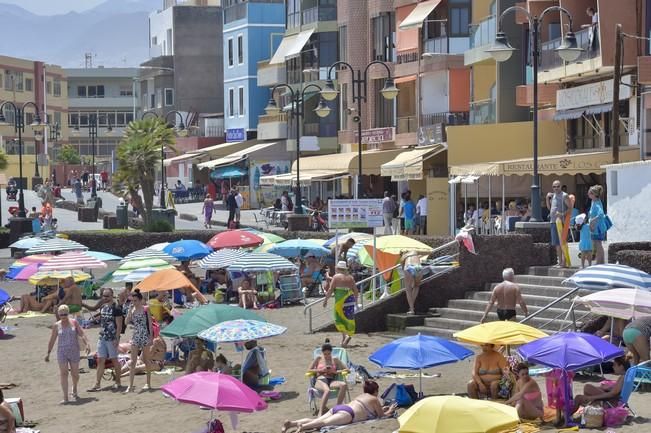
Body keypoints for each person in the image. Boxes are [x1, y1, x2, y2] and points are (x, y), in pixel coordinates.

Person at [282, 380, 397, 433]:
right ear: (376, 391)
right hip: (348, 414)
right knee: (323, 424)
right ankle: (302, 427)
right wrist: (390, 410)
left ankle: (291, 423)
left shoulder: (362, 395)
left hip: (340, 408)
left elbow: (371, 410)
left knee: (318, 420)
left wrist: (382, 409)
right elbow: (381, 416)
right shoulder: (374, 399)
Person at [45, 304, 91, 404]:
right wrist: (48, 353)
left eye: (65, 314)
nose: (64, 316)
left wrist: (87, 344)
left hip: (74, 351)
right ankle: (65, 397)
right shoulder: (57, 325)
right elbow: (52, 340)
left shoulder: (74, 322)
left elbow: (81, 333)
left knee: (75, 374)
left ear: (68, 313)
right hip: (62, 351)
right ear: (58, 315)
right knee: (64, 373)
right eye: (61, 315)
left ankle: (74, 389)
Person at [89, 288, 124, 391]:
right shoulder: (103, 307)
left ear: (112, 295)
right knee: (100, 360)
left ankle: (118, 382)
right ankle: (97, 384)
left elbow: (119, 325)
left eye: (107, 296)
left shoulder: (116, 308)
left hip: (112, 338)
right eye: (104, 296)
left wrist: (117, 339)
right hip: (102, 337)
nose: (105, 298)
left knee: (114, 360)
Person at [124, 289, 153, 393]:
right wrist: (129, 312)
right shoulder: (132, 310)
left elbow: (150, 324)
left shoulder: (146, 309)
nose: (134, 303)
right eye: (132, 301)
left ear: (140, 300)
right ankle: (130, 386)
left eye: (135, 300)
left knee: (146, 360)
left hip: (144, 335)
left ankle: (148, 383)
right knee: (133, 361)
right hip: (136, 335)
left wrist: (151, 338)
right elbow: (126, 322)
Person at [323, 261, 358, 348]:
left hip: (340, 301)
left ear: (338, 268)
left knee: (338, 319)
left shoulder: (336, 277)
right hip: (350, 299)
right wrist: (356, 301)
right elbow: (356, 291)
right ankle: (345, 340)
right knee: (348, 319)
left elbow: (330, 290)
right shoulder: (350, 278)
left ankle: (345, 335)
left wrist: (326, 300)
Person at [308, 342, 349, 416]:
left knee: (343, 385)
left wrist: (335, 371)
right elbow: (309, 370)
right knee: (327, 390)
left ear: (331, 352)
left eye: (329, 354)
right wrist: (321, 370)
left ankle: (337, 408)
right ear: (322, 353)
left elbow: (347, 370)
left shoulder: (335, 359)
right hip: (321, 379)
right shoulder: (318, 358)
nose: (327, 356)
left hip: (331, 380)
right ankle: (320, 412)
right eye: (325, 354)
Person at [546, 180, 572, 267]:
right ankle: (560, 261)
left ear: (561, 186)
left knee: (563, 243)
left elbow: (570, 208)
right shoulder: (553, 196)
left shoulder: (564, 195)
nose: (556, 188)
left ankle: (564, 262)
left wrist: (562, 214)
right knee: (557, 243)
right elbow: (550, 208)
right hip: (553, 221)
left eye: (557, 186)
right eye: (554, 187)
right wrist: (546, 198)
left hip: (561, 222)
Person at [588, 185, 607, 264]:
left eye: (590, 192)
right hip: (595, 228)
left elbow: (601, 214)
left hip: (598, 228)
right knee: (596, 244)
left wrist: (592, 219)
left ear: (594, 194)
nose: (588, 193)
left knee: (598, 244)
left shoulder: (597, 203)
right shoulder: (594, 202)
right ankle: (600, 261)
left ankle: (600, 262)